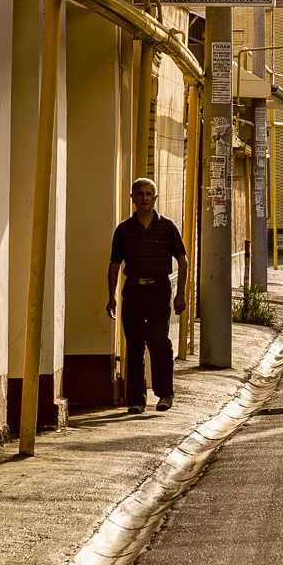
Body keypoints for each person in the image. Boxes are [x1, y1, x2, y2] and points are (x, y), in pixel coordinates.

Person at [107, 176, 186, 413]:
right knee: (134, 345)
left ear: (155, 198)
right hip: (133, 291)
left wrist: (180, 294)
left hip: (159, 291)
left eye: (148, 194)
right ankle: (136, 401)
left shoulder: (168, 227)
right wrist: (111, 297)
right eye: (139, 194)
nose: (144, 198)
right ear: (132, 198)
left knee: (159, 343)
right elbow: (114, 265)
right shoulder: (123, 230)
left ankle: (165, 395)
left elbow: (182, 261)